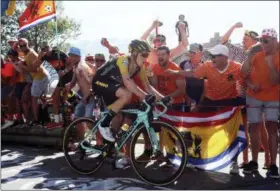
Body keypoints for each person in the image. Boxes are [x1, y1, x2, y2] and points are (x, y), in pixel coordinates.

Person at [92, 39, 165, 142]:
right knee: (127, 94)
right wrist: (145, 96)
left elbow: (147, 86)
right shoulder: (124, 60)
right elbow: (127, 81)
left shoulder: (141, 67)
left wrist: (163, 98)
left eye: (147, 55)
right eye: (143, 55)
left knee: (118, 116)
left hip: (112, 86)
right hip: (100, 81)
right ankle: (104, 124)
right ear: (134, 53)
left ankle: (108, 146)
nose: (146, 58)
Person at [221, 22, 271, 171]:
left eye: (246, 39)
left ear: (255, 42)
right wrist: (233, 26)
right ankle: (245, 160)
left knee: (261, 128)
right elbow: (223, 41)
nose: (243, 41)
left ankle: (269, 161)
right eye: (243, 38)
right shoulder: (240, 52)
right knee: (242, 129)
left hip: (256, 96)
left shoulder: (263, 56)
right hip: (240, 96)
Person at [241, 28, 279, 178]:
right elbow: (243, 74)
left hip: (273, 97)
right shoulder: (256, 54)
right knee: (254, 128)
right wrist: (250, 85)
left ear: (275, 41)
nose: (262, 44)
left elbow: (276, 80)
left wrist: (270, 64)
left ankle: (273, 165)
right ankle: (254, 162)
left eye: (266, 41)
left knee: (272, 129)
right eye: (261, 41)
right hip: (254, 96)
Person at [39, 42, 73, 128]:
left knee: (56, 95)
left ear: (50, 47)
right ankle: (57, 120)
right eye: (43, 49)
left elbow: (72, 63)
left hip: (68, 78)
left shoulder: (59, 53)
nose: (45, 50)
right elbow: (41, 67)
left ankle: (60, 120)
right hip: (56, 80)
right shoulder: (44, 58)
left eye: (46, 47)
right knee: (54, 97)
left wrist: (64, 71)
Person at [18, 38, 50, 126]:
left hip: (40, 77)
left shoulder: (31, 54)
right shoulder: (27, 54)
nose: (23, 47)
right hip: (40, 77)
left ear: (28, 44)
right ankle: (43, 118)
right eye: (21, 46)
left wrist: (23, 66)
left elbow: (34, 69)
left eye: (25, 45)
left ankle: (36, 120)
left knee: (34, 99)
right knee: (41, 98)